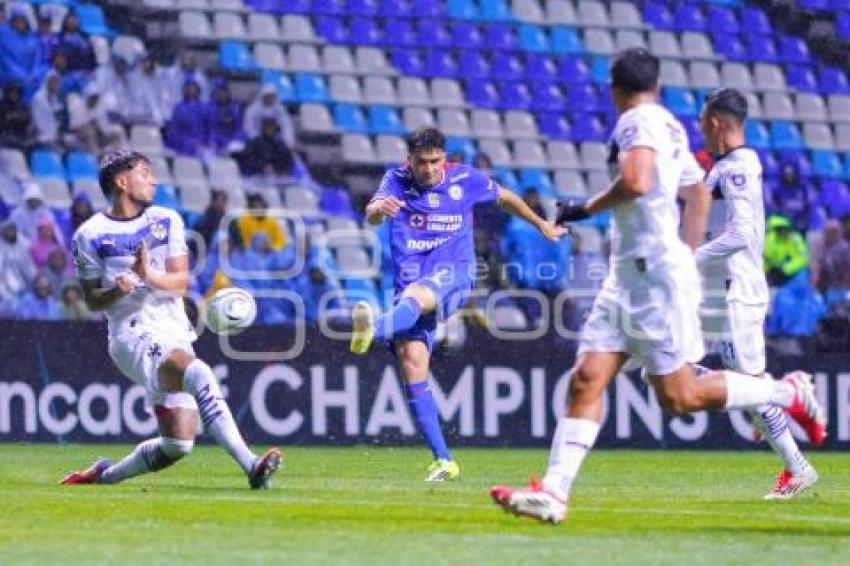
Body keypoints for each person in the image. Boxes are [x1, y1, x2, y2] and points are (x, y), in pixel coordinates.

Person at [489, 48, 826, 524]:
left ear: (614, 89)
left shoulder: (636, 123)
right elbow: (696, 196)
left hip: (651, 281)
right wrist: (687, 255)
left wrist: (584, 209)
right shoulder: (670, 126)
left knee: (680, 397)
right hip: (630, 276)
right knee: (588, 377)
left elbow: (636, 180)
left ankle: (786, 394)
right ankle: (555, 492)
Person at [348, 127, 566, 481]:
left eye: (436, 162)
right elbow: (372, 213)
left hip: (455, 273)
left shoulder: (465, 178)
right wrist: (377, 210)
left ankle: (372, 328)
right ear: (409, 161)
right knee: (412, 362)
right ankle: (444, 460)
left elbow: (504, 196)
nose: (430, 169)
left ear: (444, 160)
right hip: (410, 285)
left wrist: (541, 223)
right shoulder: (396, 179)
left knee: (417, 297)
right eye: (422, 163)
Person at [60, 150, 281, 488]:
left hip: (174, 328)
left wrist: (147, 274)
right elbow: (92, 301)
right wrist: (117, 290)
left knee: (178, 444)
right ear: (122, 181)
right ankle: (252, 465)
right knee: (195, 369)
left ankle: (105, 476)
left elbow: (180, 283)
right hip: (131, 332)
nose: (154, 180)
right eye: (145, 173)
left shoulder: (166, 220)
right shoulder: (89, 235)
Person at [695, 88, 817, 499]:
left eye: (701, 121)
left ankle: (795, 433)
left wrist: (691, 256)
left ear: (715, 123)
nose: (699, 128)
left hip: (735, 292)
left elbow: (742, 233)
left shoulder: (737, 168)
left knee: (745, 388)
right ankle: (796, 457)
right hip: (720, 290)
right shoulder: (728, 165)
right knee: (687, 368)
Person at [242, 83, 295, 147]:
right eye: (268, 96)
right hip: (257, 140)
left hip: (276, 141)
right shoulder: (252, 110)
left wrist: (289, 142)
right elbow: (249, 128)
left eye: (272, 96)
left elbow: (286, 126)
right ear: (262, 96)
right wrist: (258, 141)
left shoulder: (280, 109)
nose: (270, 98)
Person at [812, 219, 850, 306]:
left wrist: (846, 287)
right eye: (829, 231)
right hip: (823, 283)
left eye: (835, 232)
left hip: (840, 284)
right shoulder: (818, 245)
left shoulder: (845, 247)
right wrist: (814, 287)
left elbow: (848, 269)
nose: (832, 234)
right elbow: (815, 266)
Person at [0, 82, 33, 148]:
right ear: (7, 93)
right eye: (12, 92)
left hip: (21, 142)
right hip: (3, 144)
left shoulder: (23, 108)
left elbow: (27, 123)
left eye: (17, 93)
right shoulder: (2, 108)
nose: (15, 95)